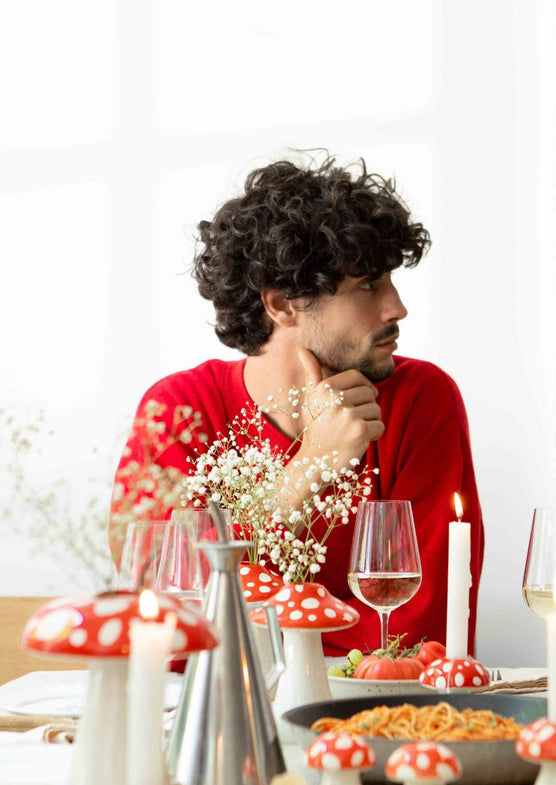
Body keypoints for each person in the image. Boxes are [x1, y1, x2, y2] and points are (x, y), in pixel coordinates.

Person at [112, 153, 484, 656]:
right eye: (366, 285)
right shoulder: (180, 411)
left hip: (373, 718)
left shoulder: (422, 399)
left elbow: (419, 632)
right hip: (214, 717)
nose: (397, 308)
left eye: (391, 280)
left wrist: (257, 637)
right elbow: (166, 625)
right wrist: (308, 470)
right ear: (282, 304)